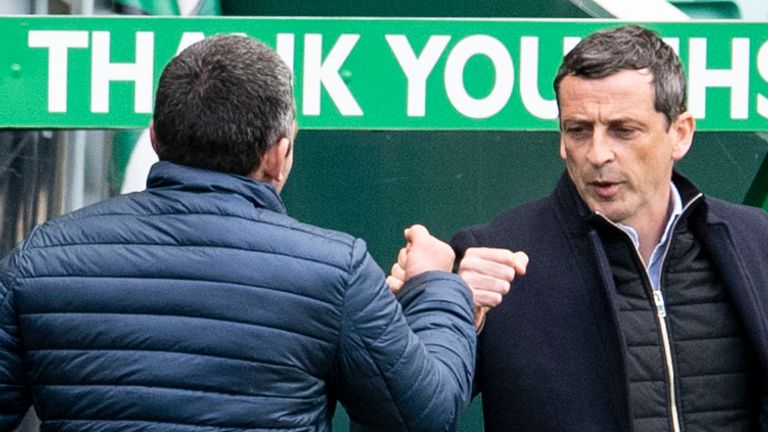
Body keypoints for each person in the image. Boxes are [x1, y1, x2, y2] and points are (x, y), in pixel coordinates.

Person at [0, 35, 477, 431]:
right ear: (278, 154)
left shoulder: (41, 257)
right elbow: (425, 417)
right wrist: (435, 287)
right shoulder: (337, 271)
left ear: (154, 138)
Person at [406, 25, 768, 430]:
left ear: (680, 134)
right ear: (561, 138)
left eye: (623, 130)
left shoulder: (757, 241)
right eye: (578, 130)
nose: (597, 154)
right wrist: (439, 308)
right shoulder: (491, 257)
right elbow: (407, 416)